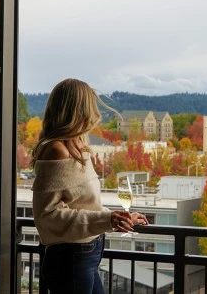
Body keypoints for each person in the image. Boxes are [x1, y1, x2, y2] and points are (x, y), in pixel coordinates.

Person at [31, 78, 149, 294]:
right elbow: (47, 216)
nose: (93, 114)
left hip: (86, 253)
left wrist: (117, 218)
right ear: (78, 110)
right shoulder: (57, 150)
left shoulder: (75, 146)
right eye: (89, 108)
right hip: (71, 258)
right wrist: (107, 219)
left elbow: (84, 204)